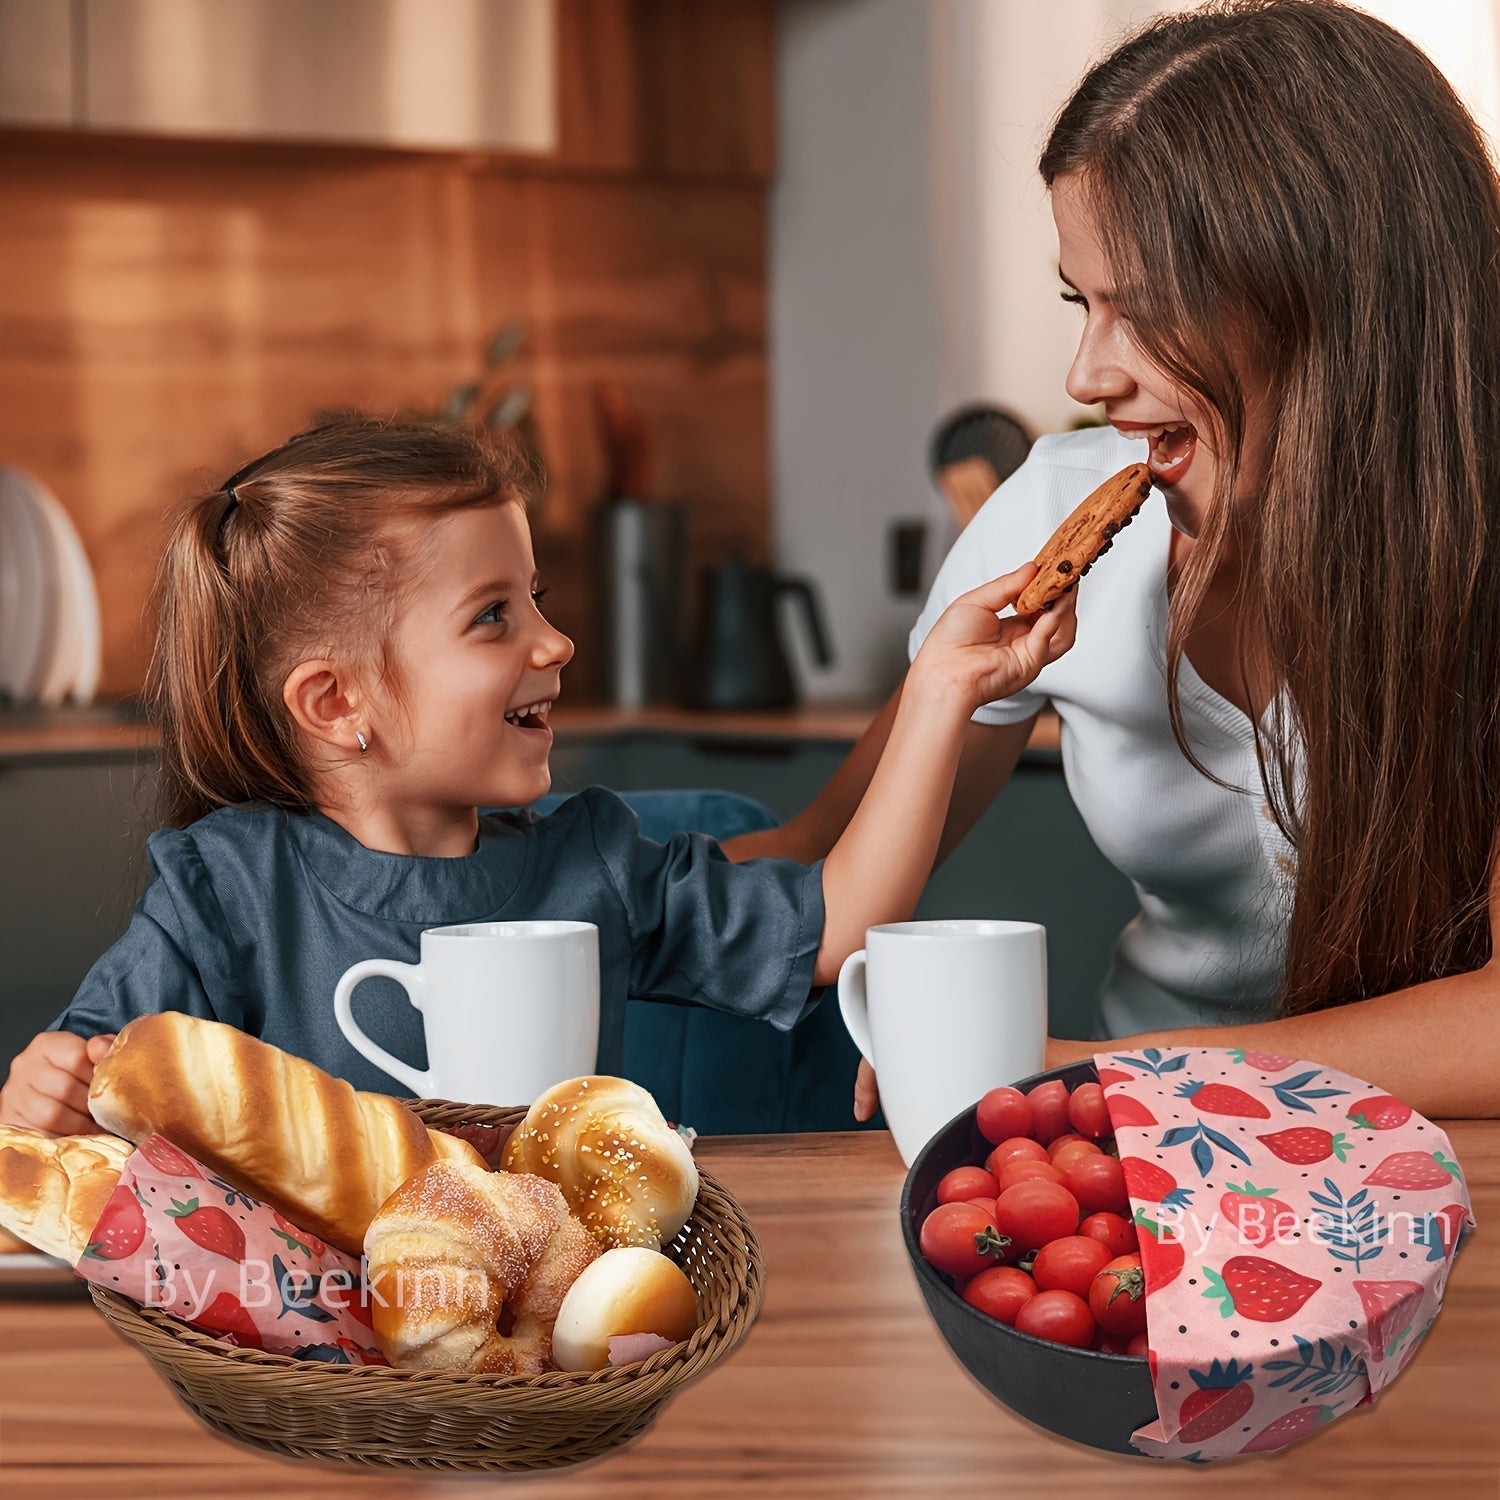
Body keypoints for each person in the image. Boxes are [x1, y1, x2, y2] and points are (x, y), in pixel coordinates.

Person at [727, 0, 1500, 1121]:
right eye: (1079, 303)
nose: (1088, 372)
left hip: (1430, 1158)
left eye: (1140, 312)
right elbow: (819, 867)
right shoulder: (1048, 517)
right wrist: (539, 886)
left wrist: (1103, 1073)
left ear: (1328, 304)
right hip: (1122, 1161)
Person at [0, 417, 1074, 1135]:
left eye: (538, 599)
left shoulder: (593, 861)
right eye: (493, 618)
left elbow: (839, 925)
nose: (556, 644)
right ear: (337, 704)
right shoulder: (223, 889)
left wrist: (942, 691)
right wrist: (42, 1087)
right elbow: (86, 1081)